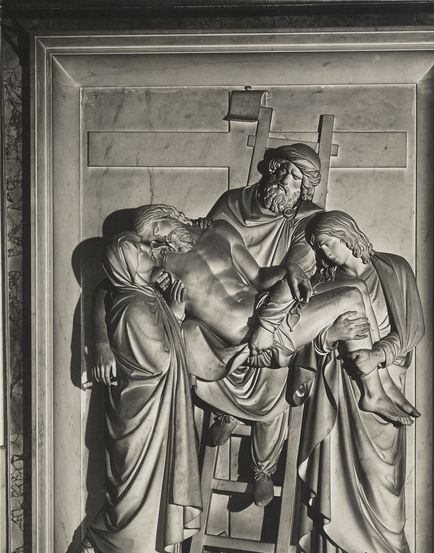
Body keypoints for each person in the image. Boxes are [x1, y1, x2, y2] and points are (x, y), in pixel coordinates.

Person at [95, 144, 324, 506]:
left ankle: (263, 468)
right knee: (190, 336)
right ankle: (224, 412)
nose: (284, 179)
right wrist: (105, 340)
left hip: (265, 305)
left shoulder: (304, 221)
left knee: (276, 361)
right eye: (281, 170)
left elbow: (266, 274)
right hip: (217, 318)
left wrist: (284, 280)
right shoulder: (225, 210)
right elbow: (116, 286)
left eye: (295, 177)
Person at [297, 210, 425, 553]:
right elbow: (304, 341)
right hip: (339, 386)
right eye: (319, 247)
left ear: (347, 235)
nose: (325, 251)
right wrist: (329, 336)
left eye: (328, 242)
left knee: (383, 474)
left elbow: (413, 328)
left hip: (387, 381)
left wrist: (378, 354)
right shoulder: (325, 284)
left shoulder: (394, 269)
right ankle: (346, 550)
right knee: (338, 472)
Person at [74, 227, 202, 553]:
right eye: (142, 252)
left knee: (143, 490)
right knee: (135, 491)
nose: (151, 254)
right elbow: (159, 360)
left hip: (149, 409)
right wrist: (176, 321)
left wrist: (173, 314)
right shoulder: (132, 305)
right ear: (126, 266)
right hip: (141, 413)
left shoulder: (143, 297)